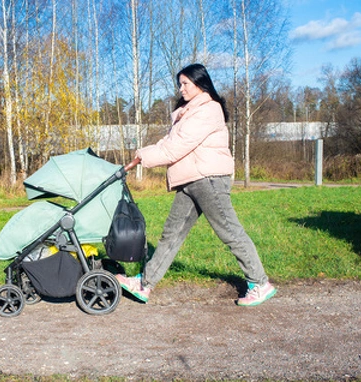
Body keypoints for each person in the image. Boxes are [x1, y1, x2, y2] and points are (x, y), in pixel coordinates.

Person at [117, 63, 276, 306]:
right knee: (171, 234)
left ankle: (260, 283)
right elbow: (169, 141)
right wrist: (141, 154)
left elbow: (177, 147)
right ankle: (144, 284)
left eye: (185, 84)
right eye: (179, 84)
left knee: (230, 231)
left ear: (200, 83)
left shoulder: (208, 109)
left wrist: (144, 158)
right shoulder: (188, 111)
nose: (181, 89)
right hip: (191, 180)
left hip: (208, 180)